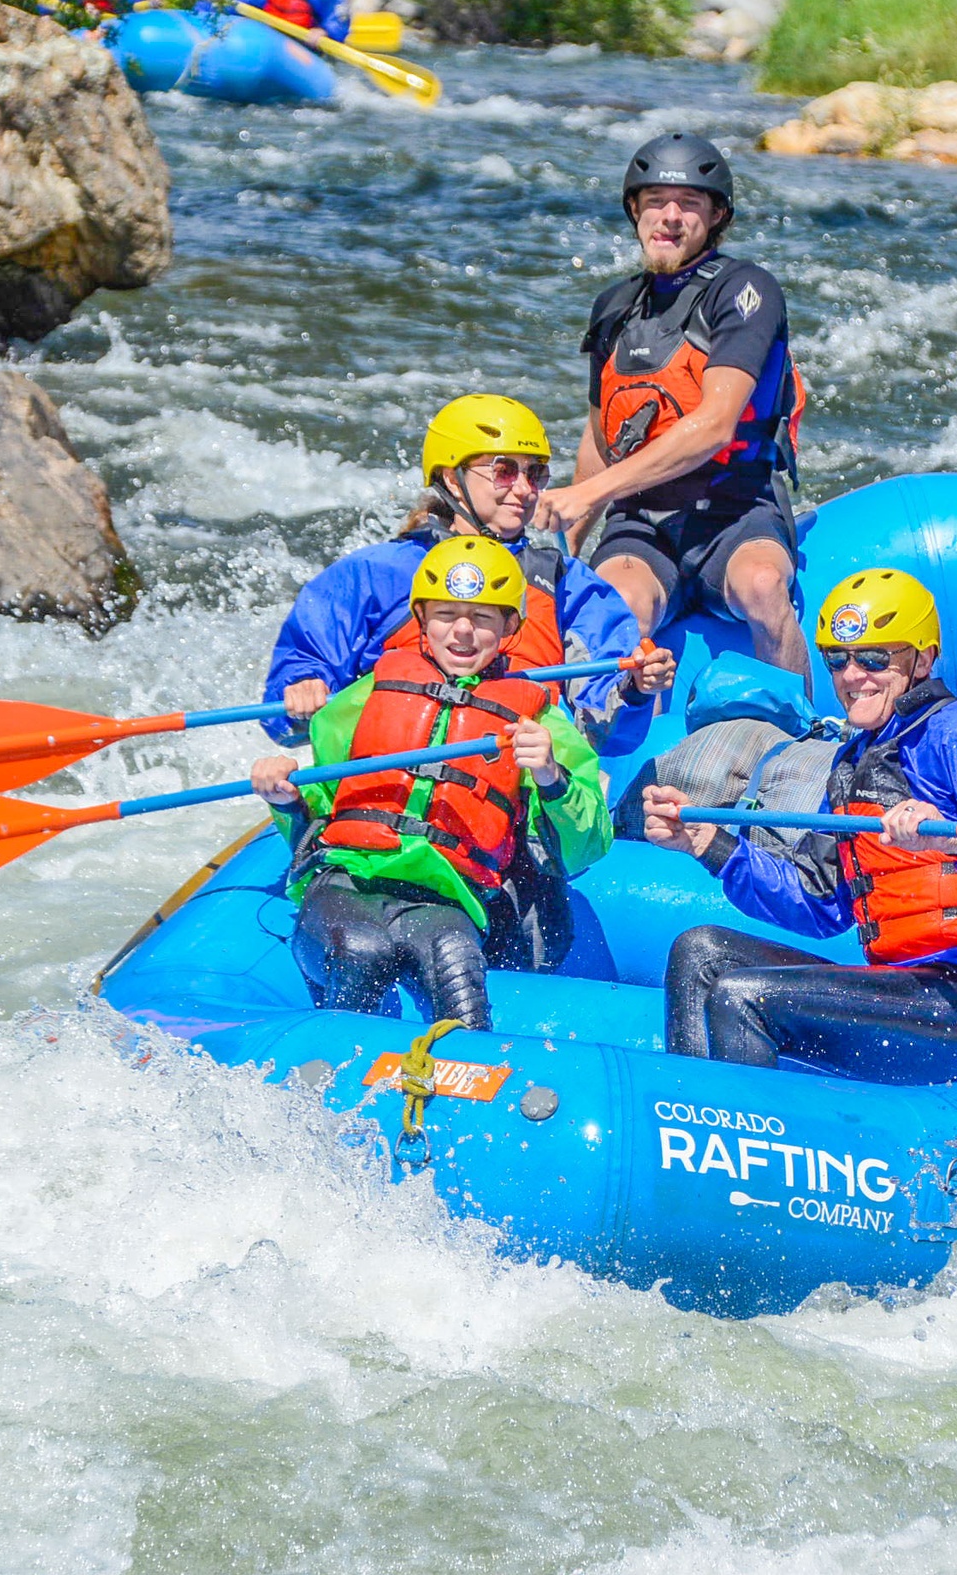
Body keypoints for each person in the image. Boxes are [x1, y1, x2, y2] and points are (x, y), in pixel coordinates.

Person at [643, 569, 957, 1076]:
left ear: (924, 658)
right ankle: (689, 1121)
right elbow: (820, 904)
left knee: (743, 996)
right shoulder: (854, 762)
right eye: (837, 660)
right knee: (700, 953)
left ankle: (737, 1132)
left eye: (873, 658)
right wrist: (709, 844)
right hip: (907, 987)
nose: (852, 677)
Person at [251, 539, 613, 1029]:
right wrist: (284, 798)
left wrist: (550, 777)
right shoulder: (364, 696)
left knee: (458, 972)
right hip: (349, 881)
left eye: (483, 618)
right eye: (445, 614)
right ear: (421, 618)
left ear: (510, 627)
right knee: (362, 952)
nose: (462, 632)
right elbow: (321, 806)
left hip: (445, 898)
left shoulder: (542, 723)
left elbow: (588, 843)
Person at [532, 133, 810, 674]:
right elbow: (599, 439)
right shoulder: (613, 308)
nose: (671, 217)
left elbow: (715, 426)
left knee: (762, 585)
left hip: (737, 512)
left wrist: (589, 493)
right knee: (618, 609)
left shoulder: (745, 291)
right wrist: (561, 548)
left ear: (717, 217)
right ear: (634, 210)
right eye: (656, 201)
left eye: (690, 204)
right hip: (642, 523)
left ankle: (801, 737)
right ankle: (610, 745)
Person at [261, 394, 674, 752]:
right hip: (394, 777)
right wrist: (303, 687)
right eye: (504, 470)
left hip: (511, 788)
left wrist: (634, 688)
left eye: (534, 474)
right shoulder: (376, 573)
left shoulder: (566, 584)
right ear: (451, 479)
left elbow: (606, 726)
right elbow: (295, 688)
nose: (525, 489)